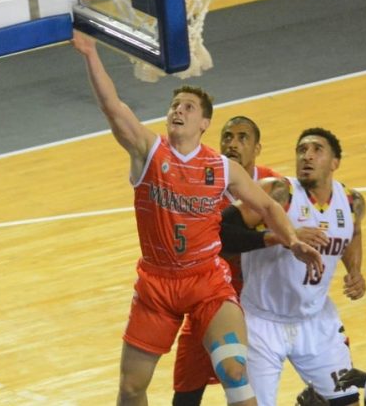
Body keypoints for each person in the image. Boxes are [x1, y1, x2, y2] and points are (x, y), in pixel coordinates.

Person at [71, 33, 324, 406]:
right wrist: (90, 53)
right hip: (157, 282)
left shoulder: (222, 168)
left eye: (188, 107)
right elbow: (112, 106)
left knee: (234, 372)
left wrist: (293, 241)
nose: (178, 110)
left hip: (206, 280)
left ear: (204, 122)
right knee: (131, 388)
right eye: (175, 105)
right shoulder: (148, 151)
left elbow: (269, 207)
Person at [230, 127, 366, 406]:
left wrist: (355, 270)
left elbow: (353, 232)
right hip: (262, 322)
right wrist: (284, 236)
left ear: (335, 162)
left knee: (347, 402)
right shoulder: (278, 192)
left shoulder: (352, 202)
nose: (307, 156)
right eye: (302, 150)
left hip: (316, 320)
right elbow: (223, 231)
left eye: (317, 149)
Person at [173, 116, 282, 405]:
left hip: (260, 308)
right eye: (227, 137)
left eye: (242, 138)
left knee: (245, 388)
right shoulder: (202, 186)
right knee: (186, 392)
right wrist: (266, 238)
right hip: (208, 301)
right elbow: (213, 244)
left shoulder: (274, 186)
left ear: (257, 148)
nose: (233, 144)